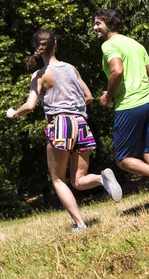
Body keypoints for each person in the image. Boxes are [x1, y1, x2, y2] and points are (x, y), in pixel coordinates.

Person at [7, 29, 122, 233]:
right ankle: (102, 177)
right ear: (56, 45)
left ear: (37, 47)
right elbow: (88, 96)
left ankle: (80, 224)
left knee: (58, 179)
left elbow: (30, 105)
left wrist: (14, 113)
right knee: (78, 180)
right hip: (80, 123)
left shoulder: (39, 75)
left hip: (60, 124)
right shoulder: (71, 68)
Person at [93, 9, 149, 203]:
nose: (94, 27)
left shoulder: (109, 45)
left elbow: (117, 71)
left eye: (98, 23)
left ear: (109, 24)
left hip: (130, 106)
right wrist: (141, 87)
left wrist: (108, 96)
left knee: (123, 159)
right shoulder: (136, 44)